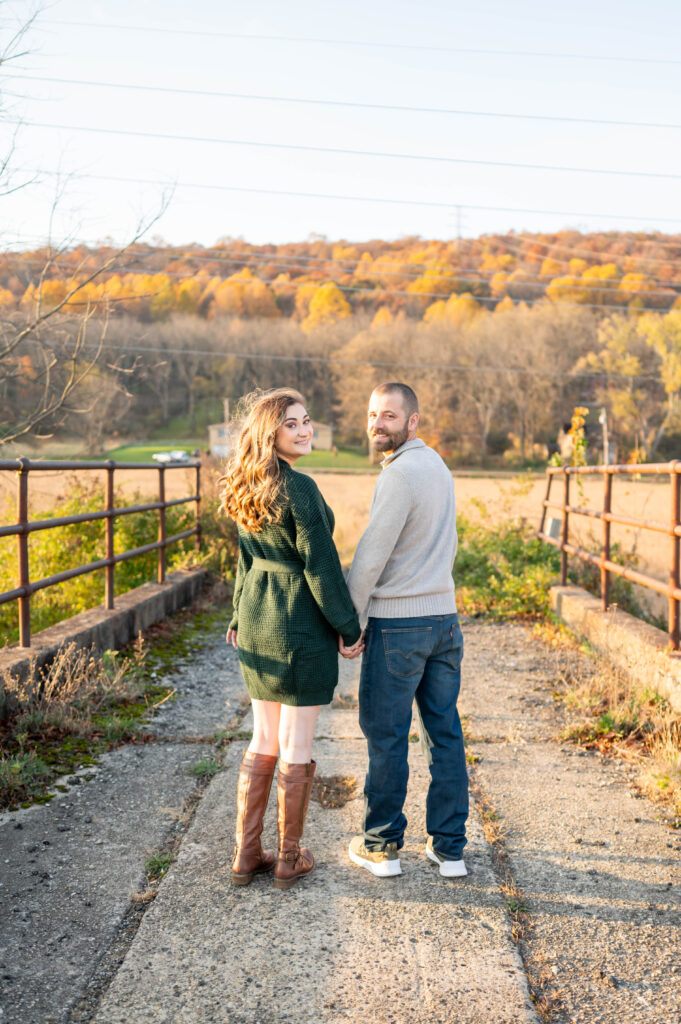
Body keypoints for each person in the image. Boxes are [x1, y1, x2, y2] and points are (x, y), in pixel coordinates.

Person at [220, 387, 363, 890]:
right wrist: (349, 628)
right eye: (292, 424)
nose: (304, 430)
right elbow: (322, 570)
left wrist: (238, 614)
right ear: (270, 433)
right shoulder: (299, 489)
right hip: (298, 623)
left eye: (306, 420)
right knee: (296, 742)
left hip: (258, 617)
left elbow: (244, 560)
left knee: (263, 737)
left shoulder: (246, 484)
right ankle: (287, 858)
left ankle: (245, 855)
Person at [342, 382, 468, 879]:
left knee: (387, 737)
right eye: (373, 414)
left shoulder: (400, 476)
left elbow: (372, 557)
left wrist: (349, 623)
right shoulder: (437, 466)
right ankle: (450, 849)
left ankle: (381, 846)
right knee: (444, 735)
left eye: (389, 416)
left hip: (400, 626)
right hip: (444, 622)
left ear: (412, 421)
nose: (378, 424)